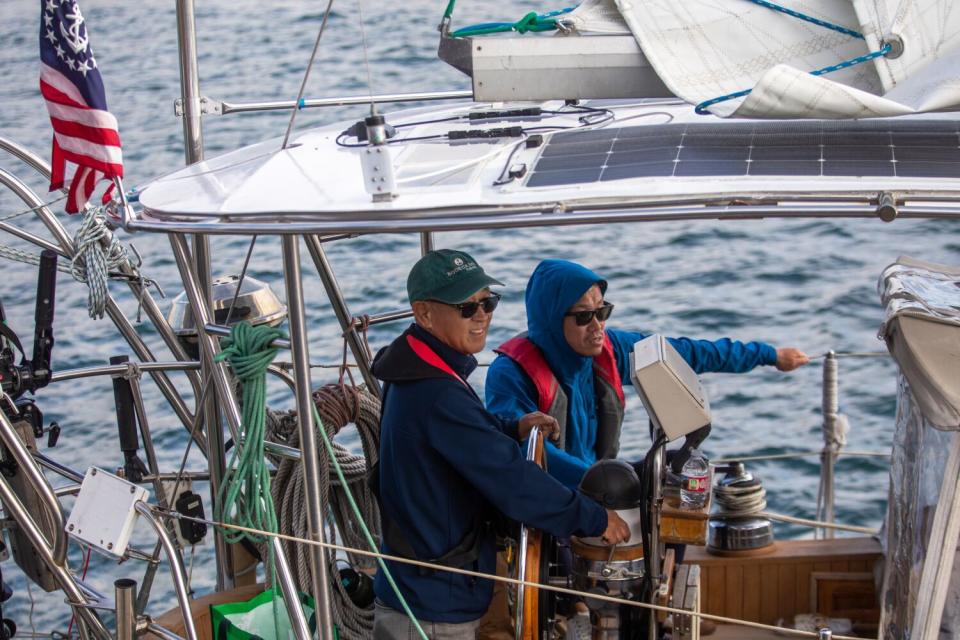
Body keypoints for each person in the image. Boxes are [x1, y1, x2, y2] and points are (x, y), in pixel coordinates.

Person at [371, 249, 630, 639]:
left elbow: (460, 434)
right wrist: (595, 518)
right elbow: (514, 482)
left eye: (488, 301)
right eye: (466, 306)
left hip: (424, 585)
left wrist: (511, 428)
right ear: (424, 313)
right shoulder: (437, 393)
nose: (482, 315)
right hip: (432, 606)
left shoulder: (419, 370)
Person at [485, 259, 810, 490]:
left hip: (601, 484)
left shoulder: (611, 349)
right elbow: (518, 448)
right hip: (551, 499)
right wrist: (611, 482)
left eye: (603, 311)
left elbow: (691, 352)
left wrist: (768, 355)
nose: (599, 326)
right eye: (585, 316)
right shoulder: (511, 373)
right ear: (552, 319)